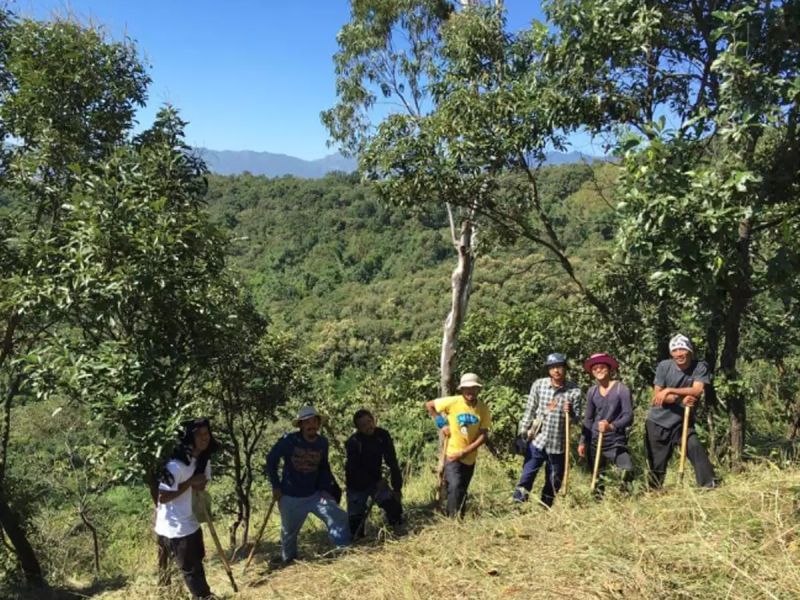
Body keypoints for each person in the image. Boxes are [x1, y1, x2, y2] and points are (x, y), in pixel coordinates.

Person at [265, 406, 351, 564]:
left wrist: (327, 489)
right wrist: (276, 486)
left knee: (339, 517)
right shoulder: (288, 441)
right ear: (301, 425)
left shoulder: (322, 443)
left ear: (318, 423)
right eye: (307, 422)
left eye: (314, 421)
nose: (311, 425)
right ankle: (288, 561)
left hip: (315, 494)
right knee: (289, 533)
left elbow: (324, 467)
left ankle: (343, 552)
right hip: (290, 496)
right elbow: (271, 460)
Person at [154, 417, 220, 600]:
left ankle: (205, 594)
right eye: (199, 435)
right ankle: (202, 596)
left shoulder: (203, 460)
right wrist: (190, 482)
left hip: (191, 521)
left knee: (197, 563)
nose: (204, 438)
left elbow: (202, 484)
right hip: (175, 527)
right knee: (189, 568)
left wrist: (198, 483)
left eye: (206, 434)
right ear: (189, 438)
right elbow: (163, 496)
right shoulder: (175, 466)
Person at [646, 334, 717, 488]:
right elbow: (658, 397)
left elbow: (697, 390)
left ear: (689, 351)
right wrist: (680, 399)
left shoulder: (700, 367)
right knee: (658, 462)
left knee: (695, 447)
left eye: (682, 349)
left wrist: (670, 390)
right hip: (658, 422)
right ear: (671, 353)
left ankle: (708, 485)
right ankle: (653, 492)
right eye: (675, 350)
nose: (679, 354)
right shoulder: (664, 366)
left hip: (682, 421)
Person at [513, 353, 582, 507]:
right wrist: (523, 433)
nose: (556, 370)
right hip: (538, 441)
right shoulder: (539, 385)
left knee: (553, 480)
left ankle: (545, 507)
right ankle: (518, 505)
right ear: (548, 370)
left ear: (565, 368)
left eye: (559, 367)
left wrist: (570, 412)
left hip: (559, 444)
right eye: (552, 367)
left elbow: (577, 420)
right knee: (527, 475)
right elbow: (530, 410)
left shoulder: (574, 391)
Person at [424, 372, 491, 518]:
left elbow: (483, 435)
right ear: (462, 390)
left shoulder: (483, 408)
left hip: (469, 456)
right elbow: (429, 405)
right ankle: (452, 520)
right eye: (467, 388)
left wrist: (465, 452)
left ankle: (459, 516)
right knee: (455, 486)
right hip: (452, 454)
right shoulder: (453, 402)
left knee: (462, 488)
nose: (470, 391)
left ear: (478, 389)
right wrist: (441, 424)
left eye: (473, 388)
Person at [578, 353, 634, 494]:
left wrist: (612, 426)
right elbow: (589, 419)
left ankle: (625, 500)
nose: (599, 370)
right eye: (595, 368)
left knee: (627, 469)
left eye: (602, 367)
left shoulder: (622, 389)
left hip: (615, 440)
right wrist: (583, 441)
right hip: (595, 440)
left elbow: (629, 416)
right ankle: (598, 506)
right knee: (597, 478)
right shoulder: (592, 392)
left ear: (609, 369)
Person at [344, 409, 403, 537]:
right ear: (358, 428)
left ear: (373, 419)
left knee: (393, 507)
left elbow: (392, 461)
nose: (368, 426)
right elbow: (353, 469)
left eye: (369, 422)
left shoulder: (382, 435)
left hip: (377, 480)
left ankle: (398, 534)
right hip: (356, 484)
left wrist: (397, 488)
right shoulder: (353, 443)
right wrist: (375, 482)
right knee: (356, 522)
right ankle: (359, 544)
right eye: (363, 425)